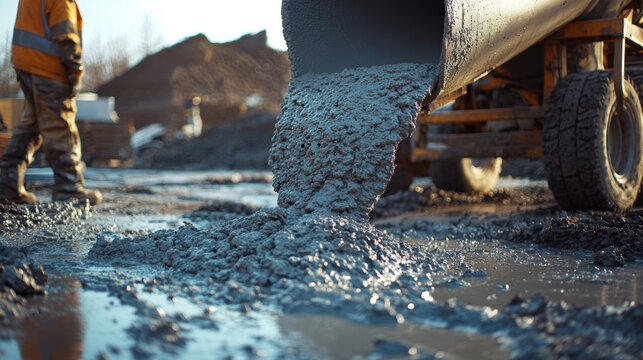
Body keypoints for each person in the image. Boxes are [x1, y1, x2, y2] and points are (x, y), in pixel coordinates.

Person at [0, 0, 102, 205]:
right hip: (49, 68)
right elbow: (65, 33)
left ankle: (8, 186)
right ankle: (69, 188)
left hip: (26, 66)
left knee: (30, 126)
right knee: (61, 125)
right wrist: (74, 69)